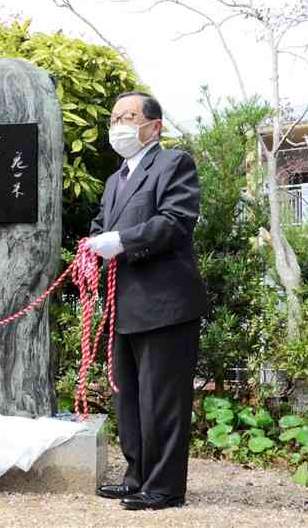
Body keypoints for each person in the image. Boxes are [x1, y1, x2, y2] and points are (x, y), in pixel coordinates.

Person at [87, 91, 209, 511]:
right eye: (115, 116)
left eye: (129, 116)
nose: (119, 124)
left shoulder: (174, 164)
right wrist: (95, 243)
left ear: (154, 126)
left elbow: (175, 221)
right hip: (124, 304)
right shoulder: (114, 179)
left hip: (165, 303)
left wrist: (122, 240)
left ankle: (165, 486)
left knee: (162, 400)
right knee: (130, 398)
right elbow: (101, 226)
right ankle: (137, 475)